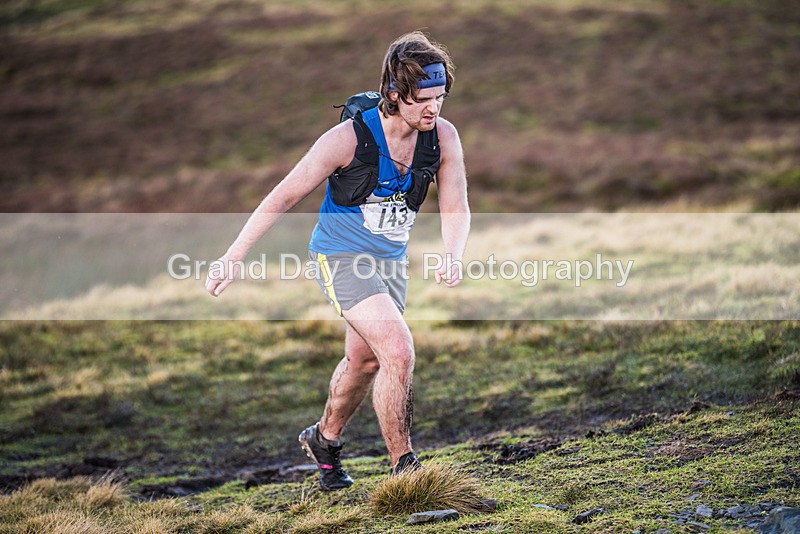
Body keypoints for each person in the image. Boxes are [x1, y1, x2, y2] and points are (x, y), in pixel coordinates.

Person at [204, 31, 470, 491]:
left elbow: (457, 205)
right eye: (423, 100)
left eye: (440, 98)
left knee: (364, 361)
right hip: (340, 256)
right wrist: (233, 256)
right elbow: (283, 195)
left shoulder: (442, 138)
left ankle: (324, 440)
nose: (434, 109)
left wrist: (453, 253)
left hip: (389, 264)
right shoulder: (347, 139)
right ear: (394, 93)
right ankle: (405, 471)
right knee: (399, 351)